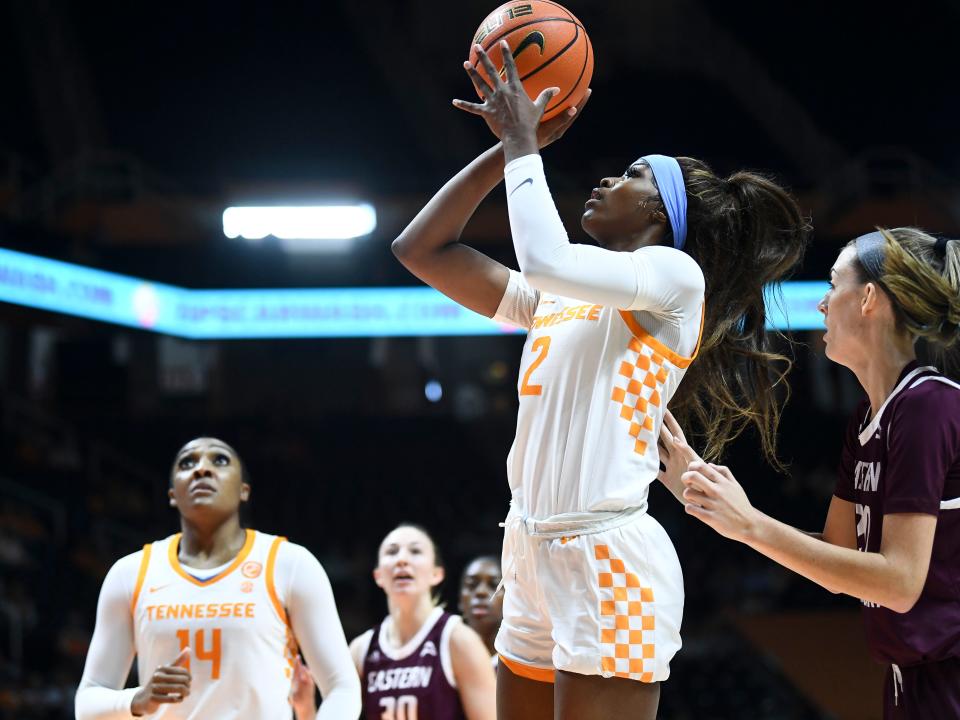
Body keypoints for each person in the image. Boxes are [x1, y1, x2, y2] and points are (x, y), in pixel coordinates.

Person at [391, 42, 808, 720]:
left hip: (606, 554)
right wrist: (505, 151)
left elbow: (547, 257)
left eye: (631, 177)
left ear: (662, 216)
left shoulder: (676, 279)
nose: (607, 181)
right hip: (527, 546)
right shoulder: (555, 297)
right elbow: (420, 249)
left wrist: (526, 146)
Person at [670, 228, 960, 718]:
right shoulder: (870, 420)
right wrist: (713, 499)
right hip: (908, 680)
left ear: (868, 298)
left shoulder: (929, 406)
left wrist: (751, 525)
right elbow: (836, 563)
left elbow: (899, 582)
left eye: (832, 283)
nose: (822, 304)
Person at [74, 437, 361, 719]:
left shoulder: (289, 563)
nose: (202, 469)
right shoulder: (130, 573)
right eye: (187, 463)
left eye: (220, 460)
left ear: (243, 490)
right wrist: (136, 699)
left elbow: (342, 687)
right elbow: (88, 700)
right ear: (173, 494)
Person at [349, 524, 496, 720]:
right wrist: (306, 704)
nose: (402, 560)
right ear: (378, 576)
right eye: (392, 552)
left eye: (415, 551)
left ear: (437, 574)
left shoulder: (458, 641)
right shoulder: (361, 650)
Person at [458, 555, 503, 663]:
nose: (481, 592)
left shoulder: (521, 660)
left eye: (493, 586)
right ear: (460, 600)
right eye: (471, 585)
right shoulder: (445, 658)